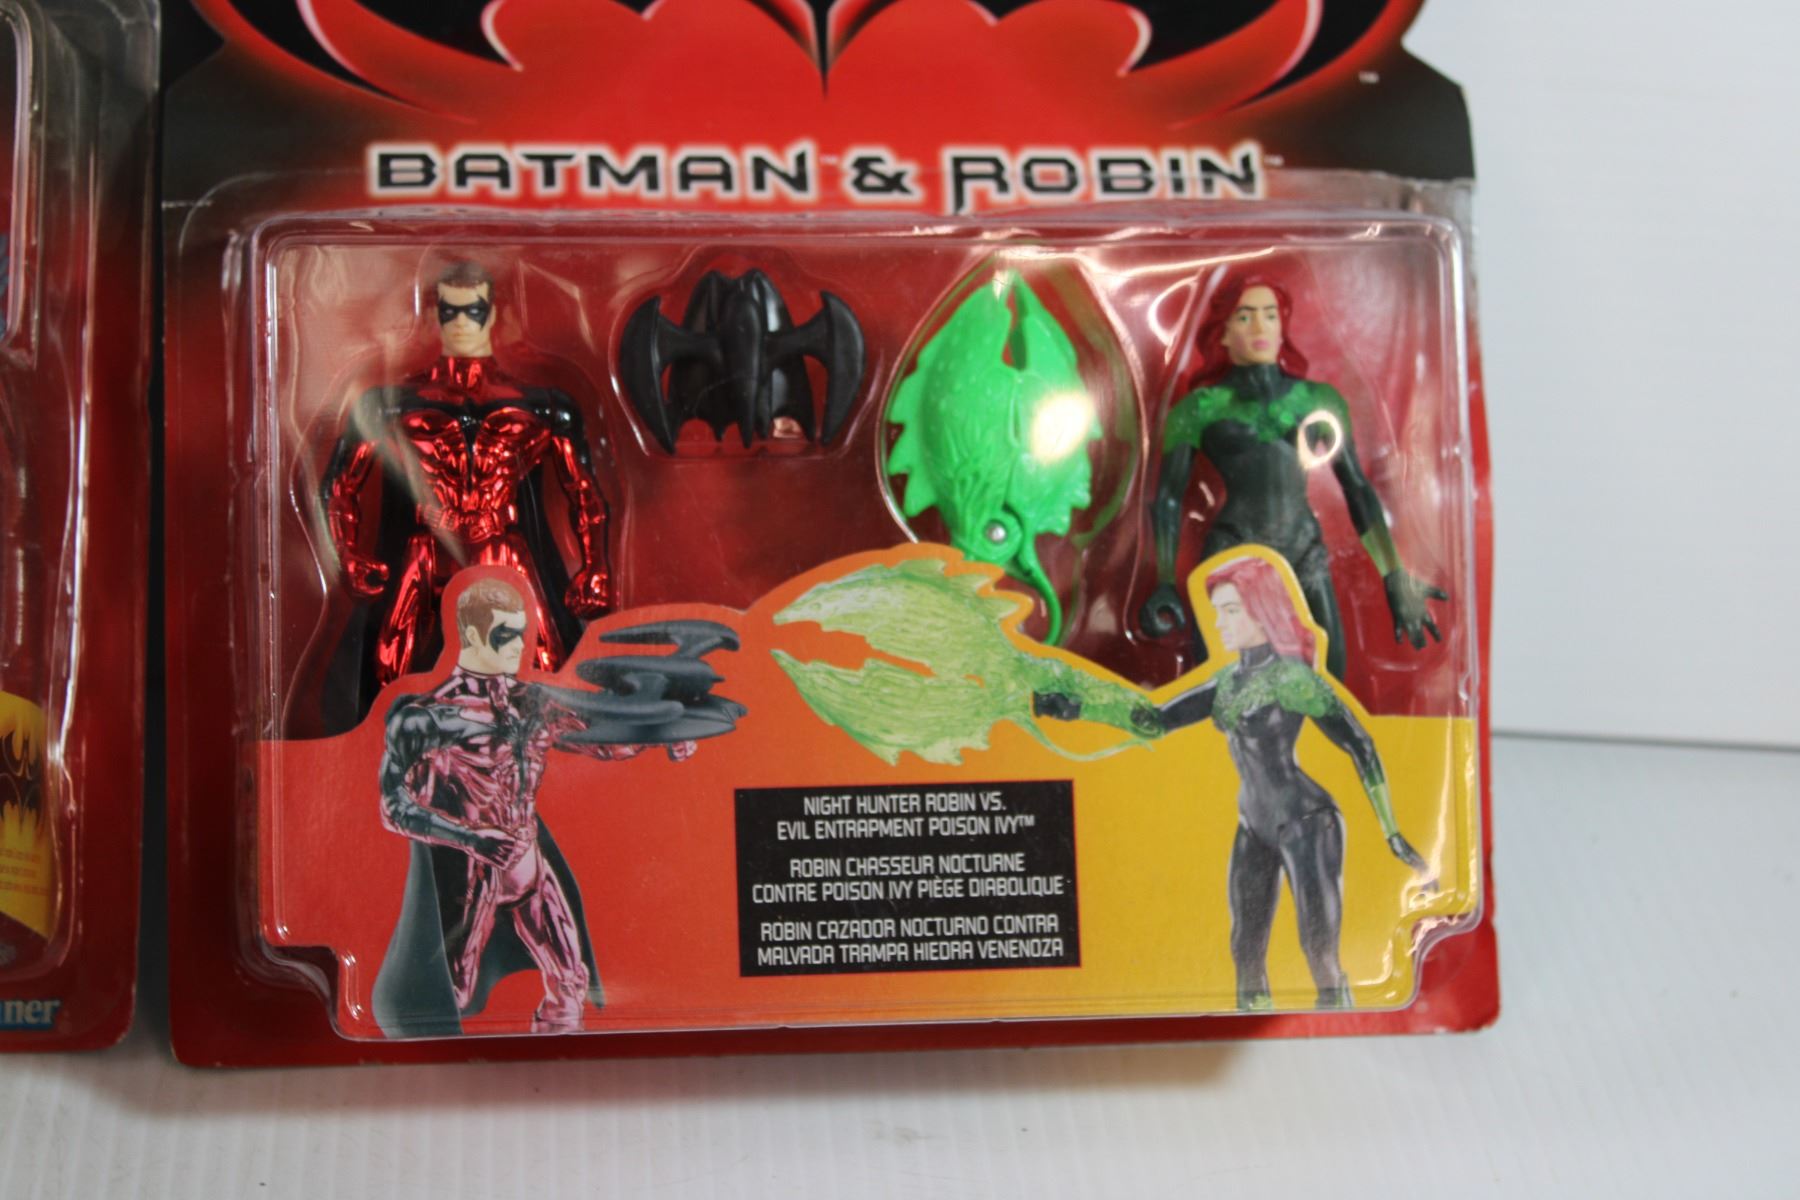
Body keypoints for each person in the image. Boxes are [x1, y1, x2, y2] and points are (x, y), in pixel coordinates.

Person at [1041, 555, 1431, 1010]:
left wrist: (1391, 831)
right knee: (1245, 947)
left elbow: (1359, 744)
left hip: (1307, 823)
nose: (1219, 622)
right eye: (1218, 611)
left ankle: (1337, 1019)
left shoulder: (1292, 679)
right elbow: (1156, 720)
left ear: (1263, 612)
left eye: (1231, 610)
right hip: (1254, 825)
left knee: (1319, 950)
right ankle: (1250, 1018)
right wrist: (1080, 708)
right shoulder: (1226, 683)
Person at [371, 576, 709, 1036]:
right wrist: (471, 838)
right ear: (471, 636)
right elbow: (394, 806)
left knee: (571, 982)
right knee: (451, 995)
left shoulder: (530, 703)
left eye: (520, 632)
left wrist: (664, 733)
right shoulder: (427, 719)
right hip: (471, 874)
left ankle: (558, 1052)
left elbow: (601, 738)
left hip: (528, 863)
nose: (518, 646)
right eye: (504, 635)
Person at [320, 260, 612, 724]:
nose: (460, 323)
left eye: (472, 310)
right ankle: (385, 740)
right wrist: (348, 555)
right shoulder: (392, 405)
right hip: (428, 547)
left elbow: (584, 492)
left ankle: (540, 743)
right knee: (390, 667)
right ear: (434, 314)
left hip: (503, 549)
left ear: (492, 313)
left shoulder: (543, 407)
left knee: (543, 663)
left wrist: (596, 566)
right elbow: (340, 485)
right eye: (450, 311)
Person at [1138, 275, 1446, 680]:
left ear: (1283, 326)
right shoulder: (1199, 408)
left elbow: (1357, 489)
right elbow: (1167, 498)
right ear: (1223, 334)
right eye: (1244, 317)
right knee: (1223, 679)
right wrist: (1163, 580)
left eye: (1270, 315)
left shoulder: (1318, 400)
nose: (1260, 326)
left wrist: (1394, 574)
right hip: (1234, 549)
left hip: (1303, 548)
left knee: (1329, 675)